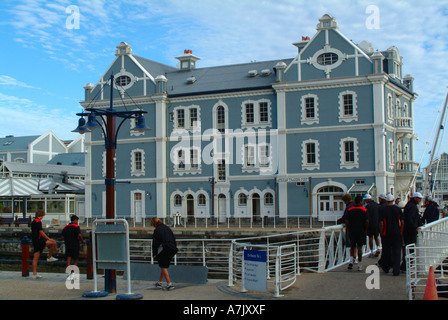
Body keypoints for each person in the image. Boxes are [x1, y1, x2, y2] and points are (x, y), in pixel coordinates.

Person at [379, 194, 404, 276]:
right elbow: (402, 222)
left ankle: (386, 268)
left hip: (386, 234)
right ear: (393, 200)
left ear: (386, 200)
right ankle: (396, 270)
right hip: (397, 233)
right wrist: (401, 231)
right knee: (397, 252)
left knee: (386, 251)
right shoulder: (398, 209)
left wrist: (381, 232)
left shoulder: (383, 210)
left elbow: (382, 223)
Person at [151, 217, 178, 290]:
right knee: (163, 265)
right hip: (172, 248)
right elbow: (173, 237)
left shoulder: (157, 230)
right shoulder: (167, 228)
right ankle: (159, 282)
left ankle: (169, 284)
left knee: (162, 265)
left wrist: (154, 253)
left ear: (154, 223)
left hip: (165, 248)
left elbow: (155, 243)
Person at [31, 210, 58, 279]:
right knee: (53, 242)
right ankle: (49, 257)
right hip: (40, 240)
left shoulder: (33, 221)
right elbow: (41, 232)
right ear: (41, 215)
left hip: (35, 240)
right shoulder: (39, 221)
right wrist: (48, 239)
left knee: (35, 258)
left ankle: (34, 273)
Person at [345, 195, 369, 271]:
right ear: (361, 202)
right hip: (360, 230)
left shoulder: (350, 209)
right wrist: (365, 229)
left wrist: (348, 229)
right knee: (359, 247)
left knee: (352, 246)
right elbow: (367, 221)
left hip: (352, 230)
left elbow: (347, 220)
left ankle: (351, 261)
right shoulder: (364, 210)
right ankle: (359, 264)